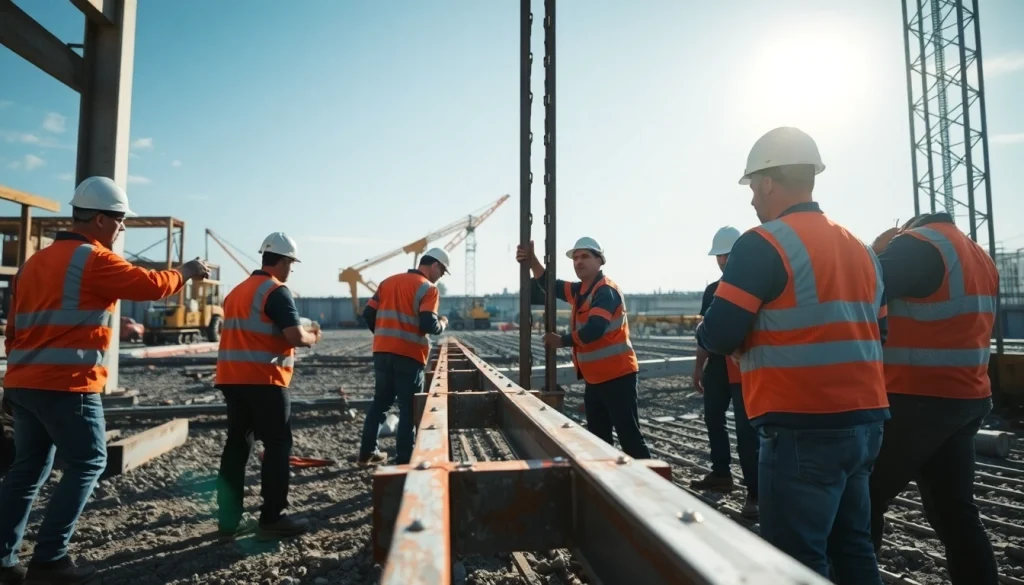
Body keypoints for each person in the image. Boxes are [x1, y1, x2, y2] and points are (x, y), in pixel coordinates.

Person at [695, 127, 888, 583]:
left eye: (751, 188)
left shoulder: (763, 243)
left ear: (766, 182)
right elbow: (879, 331)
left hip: (803, 427)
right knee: (853, 547)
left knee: (796, 561)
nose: (751, 200)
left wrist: (716, 331)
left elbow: (718, 335)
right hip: (866, 423)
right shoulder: (862, 249)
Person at [0, 177, 210, 585]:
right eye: (119, 221)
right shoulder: (93, 259)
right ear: (100, 219)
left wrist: (16, 381)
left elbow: (13, 330)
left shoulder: (33, 263)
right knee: (89, 462)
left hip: (23, 382)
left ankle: (3, 561)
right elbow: (151, 285)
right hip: (68, 384)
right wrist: (186, 270)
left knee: (27, 470)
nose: (122, 228)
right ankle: (49, 561)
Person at [868, 213, 999, 585]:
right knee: (955, 513)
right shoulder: (978, 255)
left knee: (862, 501)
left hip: (916, 397)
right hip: (966, 397)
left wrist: (876, 250)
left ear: (909, 228)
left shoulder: (917, 246)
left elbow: (861, 287)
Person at [215, 232, 320, 540]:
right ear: (284, 261)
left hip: (232, 378)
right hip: (265, 379)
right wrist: (313, 337)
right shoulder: (275, 291)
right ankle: (272, 518)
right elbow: (295, 336)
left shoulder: (236, 292)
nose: (291, 269)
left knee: (237, 446)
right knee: (277, 445)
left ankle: (228, 520)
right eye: (291, 264)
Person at [516, 237, 652, 459]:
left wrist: (562, 341)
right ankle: (607, 478)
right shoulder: (580, 291)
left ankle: (651, 479)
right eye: (575, 258)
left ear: (600, 260)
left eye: (585, 256)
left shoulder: (605, 291)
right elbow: (551, 285)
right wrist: (533, 262)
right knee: (599, 439)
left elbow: (595, 329)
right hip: (595, 379)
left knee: (629, 437)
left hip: (618, 376)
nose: (579, 261)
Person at [357, 248, 450, 466]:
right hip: (409, 355)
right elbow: (428, 323)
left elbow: (368, 313)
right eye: (442, 271)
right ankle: (404, 460)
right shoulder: (428, 288)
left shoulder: (388, 282)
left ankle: (367, 453)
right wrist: (443, 323)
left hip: (382, 352)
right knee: (408, 409)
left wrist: (383, 336)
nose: (441, 276)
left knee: (380, 403)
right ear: (435, 265)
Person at [691, 226, 759, 519]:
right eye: (719, 256)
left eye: (727, 254)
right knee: (713, 419)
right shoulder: (712, 291)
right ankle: (721, 474)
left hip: (744, 365)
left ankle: (755, 493)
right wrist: (699, 366)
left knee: (747, 432)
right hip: (719, 365)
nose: (722, 260)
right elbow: (705, 332)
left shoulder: (757, 285)